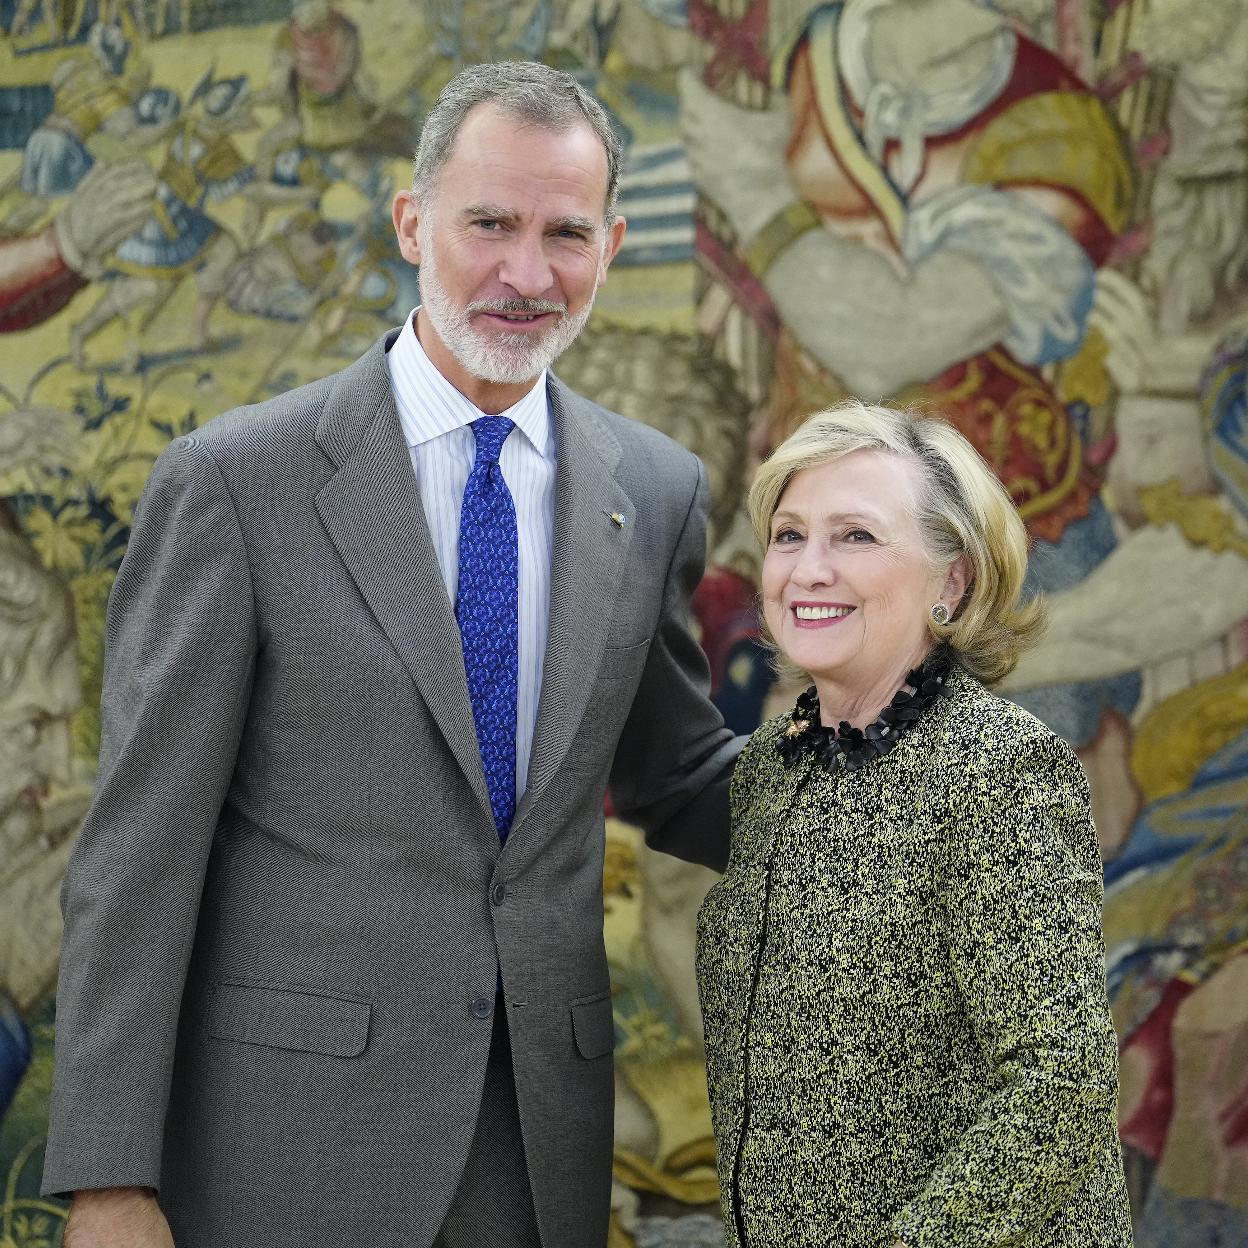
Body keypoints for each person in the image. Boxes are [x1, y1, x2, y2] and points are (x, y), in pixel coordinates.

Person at [42, 61, 741, 1248]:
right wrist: (110, 1179)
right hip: (282, 1151)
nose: (528, 274)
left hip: (535, 1149)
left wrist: (898, 776)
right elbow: (139, 851)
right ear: (413, 222)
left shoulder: (659, 493)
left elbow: (681, 777)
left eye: (566, 232)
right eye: (491, 224)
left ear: (613, 244)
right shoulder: (234, 483)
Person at [696, 401, 1133, 1248]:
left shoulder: (1000, 771)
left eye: (855, 536)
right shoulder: (768, 770)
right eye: (789, 536)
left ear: (953, 581)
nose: (808, 569)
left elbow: (1061, 1083)